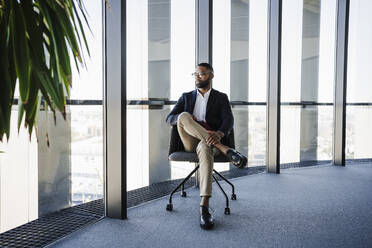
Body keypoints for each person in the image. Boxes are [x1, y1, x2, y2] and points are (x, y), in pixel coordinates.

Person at [166, 62, 247, 230]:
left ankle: (204, 207)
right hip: (189, 141)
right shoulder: (186, 97)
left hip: (210, 143)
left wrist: (220, 133)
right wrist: (187, 121)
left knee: (205, 146)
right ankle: (227, 151)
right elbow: (169, 118)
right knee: (182, 115)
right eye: (195, 74)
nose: (197, 77)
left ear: (211, 75)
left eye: (201, 74)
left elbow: (228, 120)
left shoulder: (221, 97)